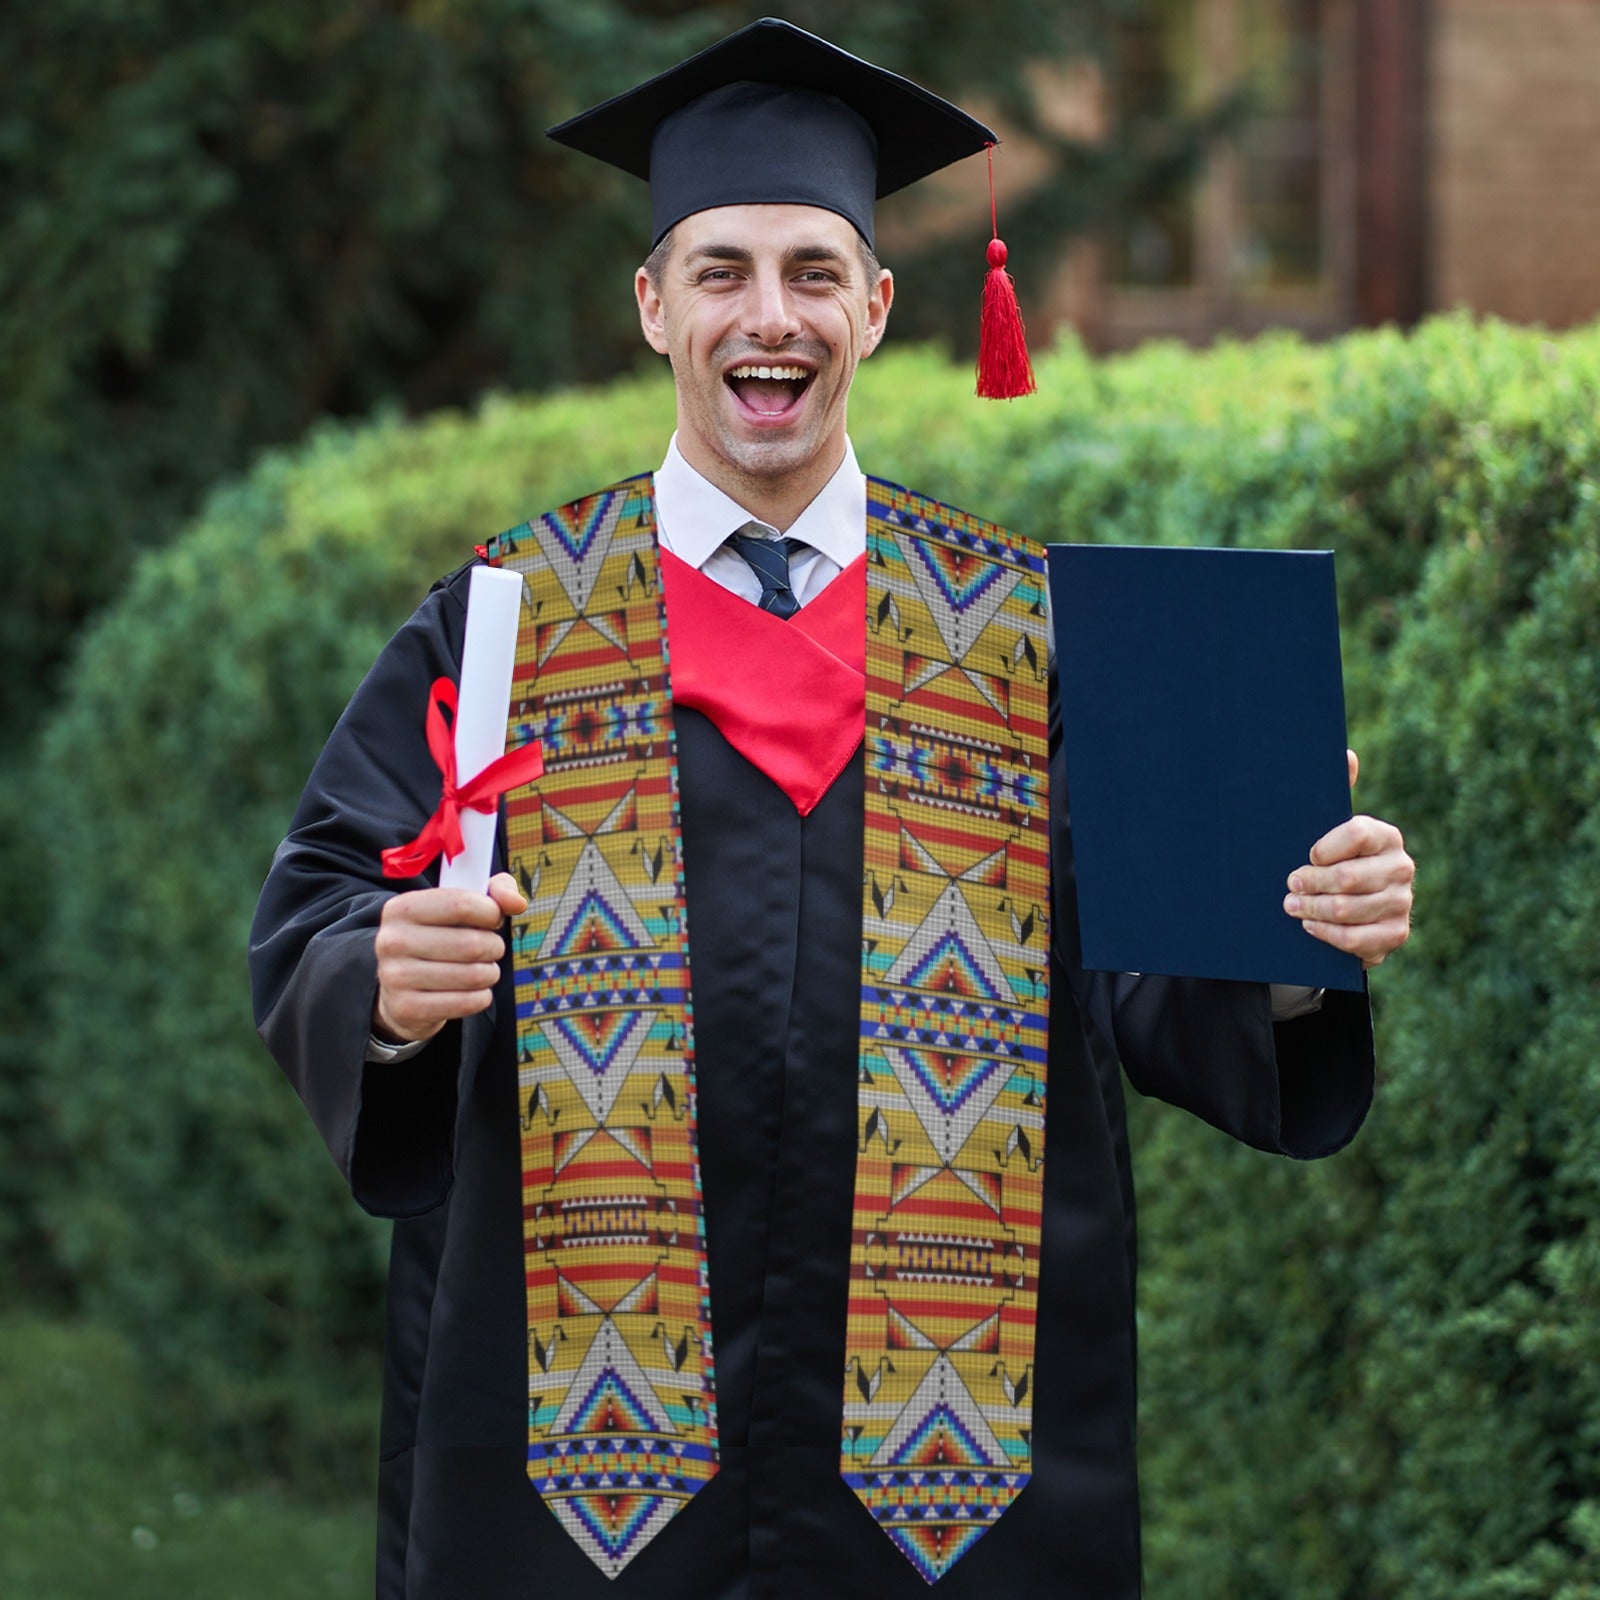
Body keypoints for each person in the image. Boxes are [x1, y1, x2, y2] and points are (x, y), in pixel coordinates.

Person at [249, 19, 1414, 1600]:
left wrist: (1292, 934)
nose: (768, 316)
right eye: (721, 270)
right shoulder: (510, 622)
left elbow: (1151, 980)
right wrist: (380, 984)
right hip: (579, 1480)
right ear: (654, 305)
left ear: (876, 305)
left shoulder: (1030, 637)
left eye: (812, 270)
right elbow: (323, 903)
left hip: (955, 1479)